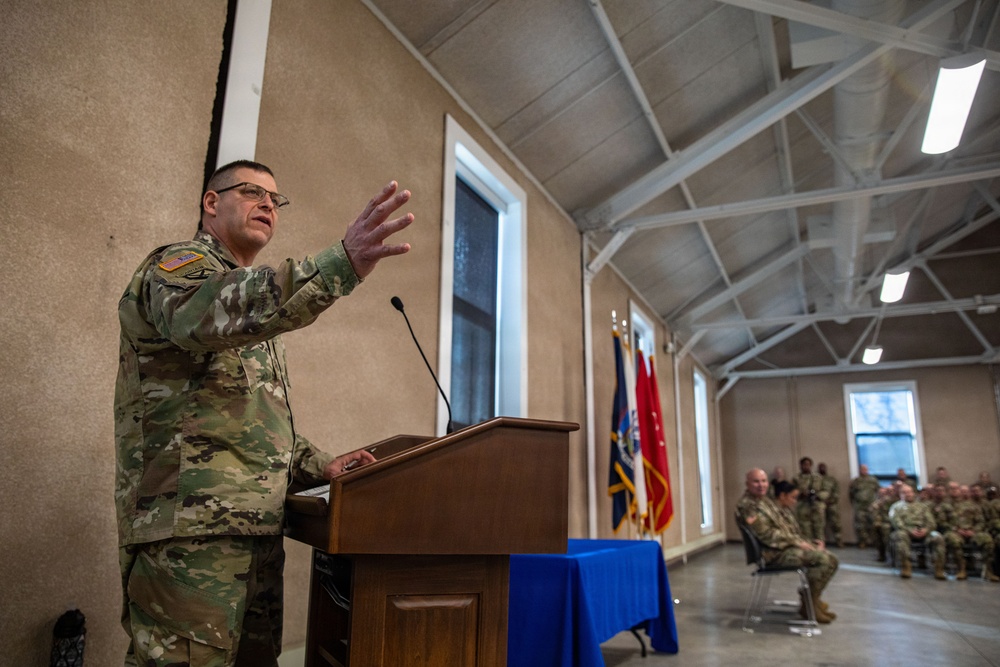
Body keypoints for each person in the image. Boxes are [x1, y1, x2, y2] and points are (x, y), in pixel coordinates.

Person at [114, 160, 414, 666]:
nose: (268, 205)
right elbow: (207, 314)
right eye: (253, 192)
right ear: (212, 203)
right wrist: (339, 263)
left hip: (258, 533)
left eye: (275, 199)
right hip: (191, 537)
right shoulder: (179, 270)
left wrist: (321, 466)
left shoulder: (250, 311)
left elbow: (254, 428)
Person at [736, 470, 838, 624]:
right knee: (823, 560)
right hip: (773, 554)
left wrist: (809, 543)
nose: (761, 485)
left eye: (763, 481)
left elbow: (785, 529)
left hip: (784, 548)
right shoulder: (748, 506)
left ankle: (812, 600)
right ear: (747, 484)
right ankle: (809, 602)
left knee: (832, 559)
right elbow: (767, 535)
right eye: (756, 481)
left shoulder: (765, 501)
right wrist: (798, 543)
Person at [889, 484, 945, 579]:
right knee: (900, 535)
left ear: (913, 493)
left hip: (924, 532)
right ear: (900, 494)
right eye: (905, 492)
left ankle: (939, 569)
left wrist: (926, 530)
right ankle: (906, 566)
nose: (908, 494)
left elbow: (931, 522)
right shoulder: (896, 507)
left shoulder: (923, 506)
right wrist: (909, 530)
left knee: (937, 537)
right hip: (906, 532)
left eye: (910, 492)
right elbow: (896, 522)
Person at [945, 485, 999, 581]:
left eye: (967, 491)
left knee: (987, 540)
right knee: (954, 540)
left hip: (973, 532)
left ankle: (988, 571)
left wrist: (974, 531)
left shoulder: (975, 506)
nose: (964, 493)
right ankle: (961, 570)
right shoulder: (951, 506)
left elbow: (981, 522)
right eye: (962, 491)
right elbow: (947, 522)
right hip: (957, 532)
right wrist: (957, 530)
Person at [849, 464, 881, 549]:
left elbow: (879, 491)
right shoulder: (856, 481)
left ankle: (876, 543)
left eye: (865, 469)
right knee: (860, 525)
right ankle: (862, 542)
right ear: (859, 470)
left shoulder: (873, 480)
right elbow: (851, 494)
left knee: (874, 524)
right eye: (862, 469)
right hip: (860, 506)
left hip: (871, 506)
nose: (864, 470)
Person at [794, 457, 825, 542]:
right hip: (802, 505)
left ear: (811, 465)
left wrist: (817, 495)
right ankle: (809, 547)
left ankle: (820, 547)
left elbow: (826, 491)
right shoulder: (796, 478)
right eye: (804, 465)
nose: (806, 466)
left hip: (816, 505)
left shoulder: (818, 477)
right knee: (804, 528)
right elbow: (792, 492)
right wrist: (801, 493)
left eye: (808, 464)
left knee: (819, 527)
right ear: (801, 466)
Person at [818, 462, 842, 547]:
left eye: (823, 467)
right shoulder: (815, 479)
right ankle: (822, 543)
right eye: (820, 467)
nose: (822, 469)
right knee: (820, 524)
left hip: (832, 504)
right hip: (819, 505)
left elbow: (836, 492)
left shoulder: (831, 479)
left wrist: (831, 500)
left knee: (836, 523)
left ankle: (839, 541)